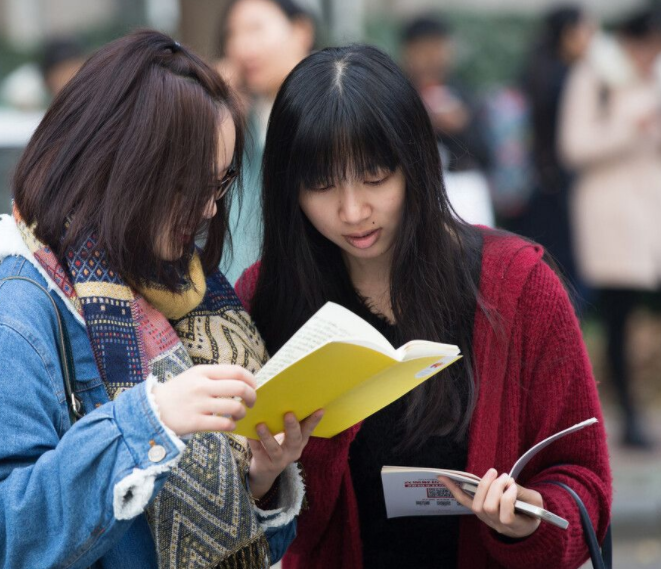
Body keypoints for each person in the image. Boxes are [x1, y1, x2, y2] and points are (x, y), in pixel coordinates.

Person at [0, 30, 321, 569]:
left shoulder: (193, 293)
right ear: (121, 169)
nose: (210, 211)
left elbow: (252, 549)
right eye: (191, 188)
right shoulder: (12, 319)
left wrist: (258, 479)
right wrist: (146, 420)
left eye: (220, 184)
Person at [235, 45, 611, 568]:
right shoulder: (264, 297)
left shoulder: (519, 287)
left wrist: (530, 516)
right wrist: (262, 479)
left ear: (415, 162)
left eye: (374, 177)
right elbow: (239, 511)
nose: (352, 211)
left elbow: (583, 478)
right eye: (320, 184)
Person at [560, 3, 661, 448]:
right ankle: (629, 420)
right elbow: (572, 146)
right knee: (619, 317)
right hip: (612, 210)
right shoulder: (593, 74)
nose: (653, 57)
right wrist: (630, 127)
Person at [219, 0, 315, 282]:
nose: (241, 47)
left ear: (301, 31)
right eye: (232, 34)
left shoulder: (328, 112)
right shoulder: (241, 118)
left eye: (255, 29)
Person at [515, 6, 595, 311]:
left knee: (544, 266)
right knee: (569, 270)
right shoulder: (570, 78)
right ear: (567, 35)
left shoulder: (533, 71)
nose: (590, 39)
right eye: (585, 31)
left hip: (534, 186)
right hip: (560, 187)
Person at [400, 14, 495, 227]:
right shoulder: (398, 93)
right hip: (415, 195)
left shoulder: (462, 92)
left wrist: (463, 125)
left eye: (438, 48)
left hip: (463, 194)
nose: (432, 58)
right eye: (424, 50)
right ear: (408, 51)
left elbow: (486, 152)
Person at [0, 37, 86, 111]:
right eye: (66, 74)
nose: (72, 79)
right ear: (50, 74)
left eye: (77, 73)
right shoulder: (24, 88)